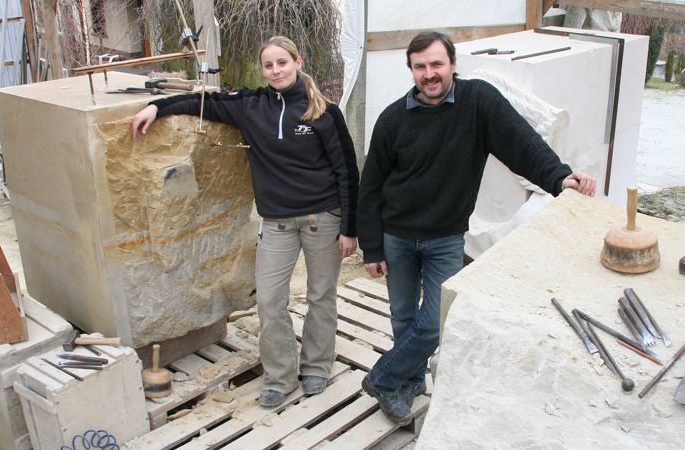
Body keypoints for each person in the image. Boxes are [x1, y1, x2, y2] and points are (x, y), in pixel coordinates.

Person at [356, 31, 597, 425]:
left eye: (437, 64)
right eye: (420, 67)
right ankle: (407, 382)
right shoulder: (392, 119)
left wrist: (559, 177)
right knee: (402, 316)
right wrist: (372, 248)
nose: (429, 74)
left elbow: (523, 143)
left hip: (446, 238)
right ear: (411, 71)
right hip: (396, 236)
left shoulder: (478, 102)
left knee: (435, 319)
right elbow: (371, 187)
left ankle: (383, 378)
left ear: (452, 64)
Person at [132, 36, 360, 407]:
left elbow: (347, 172)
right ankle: (280, 376)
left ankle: (317, 367)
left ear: (297, 61)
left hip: (323, 219)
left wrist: (351, 229)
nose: (276, 71)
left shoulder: (323, 112)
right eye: (269, 65)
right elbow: (202, 102)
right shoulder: (250, 106)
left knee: (321, 296)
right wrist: (157, 107)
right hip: (277, 224)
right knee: (269, 301)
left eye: (282, 63)